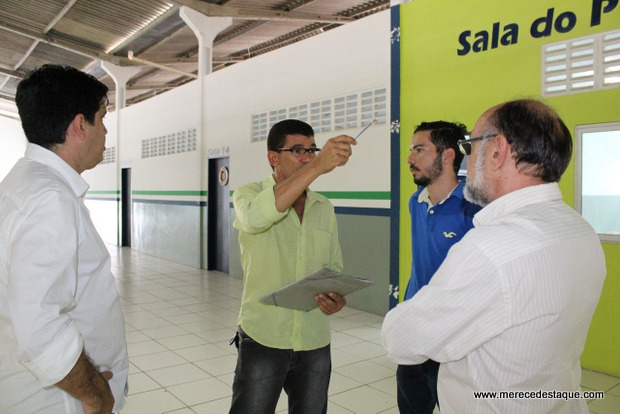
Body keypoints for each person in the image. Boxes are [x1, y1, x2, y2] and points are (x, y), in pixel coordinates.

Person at [382, 99, 606, 413]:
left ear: (498, 151)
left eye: (470, 146)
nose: (467, 160)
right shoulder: (580, 231)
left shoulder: (491, 247)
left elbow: (402, 339)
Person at [0, 64, 128, 413]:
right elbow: (40, 327)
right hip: (57, 401)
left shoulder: (23, 184)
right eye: (101, 118)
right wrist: (94, 394)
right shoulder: (49, 199)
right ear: (79, 126)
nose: (105, 131)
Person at [229, 119, 356, 414]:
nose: (308, 157)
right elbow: (257, 219)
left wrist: (335, 298)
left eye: (312, 150)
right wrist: (316, 167)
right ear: (273, 157)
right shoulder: (247, 195)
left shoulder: (323, 207)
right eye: (298, 150)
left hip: (314, 338)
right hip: (264, 335)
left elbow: (333, 267)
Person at [398, 121, 480, 413]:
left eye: (419, 150)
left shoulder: (472, 209)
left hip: (453, 337)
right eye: (411, 151)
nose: (410, 159)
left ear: (447, 156)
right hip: (414, 328)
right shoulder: (415, 202)